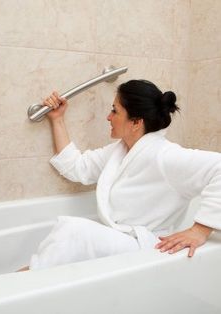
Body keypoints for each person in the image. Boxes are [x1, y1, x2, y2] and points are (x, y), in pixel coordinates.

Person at [21, 79, 221, 271]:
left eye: (115, 111)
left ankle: (22, 282)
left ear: (136, 122)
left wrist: (200, 230)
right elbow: (77, 167)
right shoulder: (119, 151)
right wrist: (57, 119)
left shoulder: (164, 155)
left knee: (72, 231)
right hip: (124, 241)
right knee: (70, 238)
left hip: (149, 248)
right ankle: (23, 281)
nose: (108, 117)